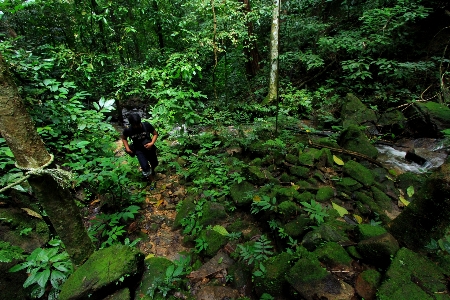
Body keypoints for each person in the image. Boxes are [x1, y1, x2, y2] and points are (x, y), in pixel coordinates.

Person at [121, 113, 159, 188]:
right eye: (134, 125)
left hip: (149, 148)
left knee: (154, 163)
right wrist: (128, 148)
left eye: (137, 125)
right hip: (138, 149)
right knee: (144, 166)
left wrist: (151, 143)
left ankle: (152, 171)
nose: (136, 127)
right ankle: (151, 180)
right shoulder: (128, 129)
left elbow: (155, 134)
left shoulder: (146, 125)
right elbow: (124, 138)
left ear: (140, 122)